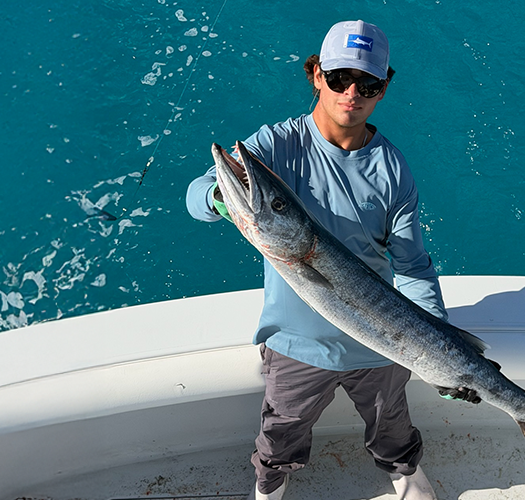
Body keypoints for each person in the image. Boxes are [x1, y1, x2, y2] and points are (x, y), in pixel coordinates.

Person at [185, 20, 452, 500]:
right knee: (281, 432)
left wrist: (442, 348)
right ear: (316, 74)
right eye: (339, 78)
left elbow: (413, 268)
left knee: (392, 423)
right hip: (297, 345)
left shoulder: (393, 169)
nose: (352, 93)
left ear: (383, 89)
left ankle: (404, 471)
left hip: (382, 343)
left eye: (367, 84)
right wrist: (221, 201)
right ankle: (270, 485)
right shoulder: (275, 145)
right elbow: (197, 194)